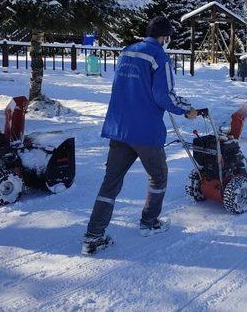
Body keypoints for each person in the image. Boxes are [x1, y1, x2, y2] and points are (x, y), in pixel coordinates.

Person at [82, 16, 198, 255]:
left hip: (119, 127)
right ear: (164, 37)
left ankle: (93, 235)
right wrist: (186, 109)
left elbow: (124, 87)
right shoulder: (159, 57)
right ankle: (149, 222)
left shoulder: (127, 52)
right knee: (158, 176)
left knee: (111, 182)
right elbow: (163, 95)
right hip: (144, 130)